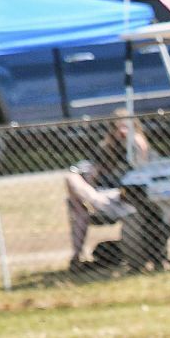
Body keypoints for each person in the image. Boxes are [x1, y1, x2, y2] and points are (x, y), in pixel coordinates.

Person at [64, 110, 151, 268]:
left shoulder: (138, 146)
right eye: (118, 128)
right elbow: (93, 174)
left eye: (126, 127)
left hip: (122, 195)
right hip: (99, 195)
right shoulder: (107, 148)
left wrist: (134, 139)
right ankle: (77, 257)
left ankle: (94, 201)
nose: (121, 132)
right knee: (71, 178)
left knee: (91, 200)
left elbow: (142, 165)